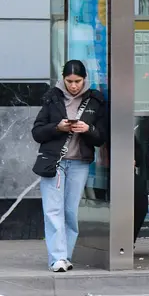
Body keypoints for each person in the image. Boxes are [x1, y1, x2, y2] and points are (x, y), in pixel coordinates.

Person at [31, 60, 108, 272]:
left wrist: (87, 128)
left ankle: (66, 255)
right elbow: (37, 132)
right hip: (54, 162)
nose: (73, 86)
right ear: (63, 79)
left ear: (85, 79)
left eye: (78, 81)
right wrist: (58, 127)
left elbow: (101, 137)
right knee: (53, 210)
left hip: (79, 163)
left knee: (70, 211)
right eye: (69, 81)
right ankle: (58, 258)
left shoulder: (96, 100)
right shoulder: (52, 97)